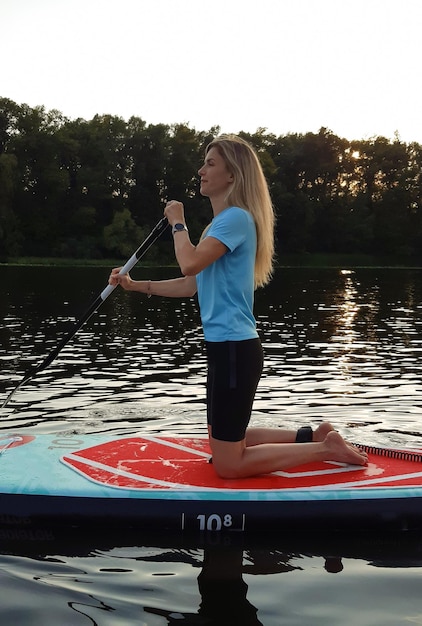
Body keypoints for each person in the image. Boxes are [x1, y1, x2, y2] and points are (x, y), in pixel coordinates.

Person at [109, 134, 368, 478]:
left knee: (229, 466)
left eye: (210, 163)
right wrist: (134, 285)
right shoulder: (220, 225)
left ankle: (324, 449)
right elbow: (191, 285)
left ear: (232, 175)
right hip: (223, 349)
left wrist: (178, 220)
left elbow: (188, 264)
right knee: (225, 443)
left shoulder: (236, 219)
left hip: (235, 349)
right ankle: (313, 435)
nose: (201, 170)